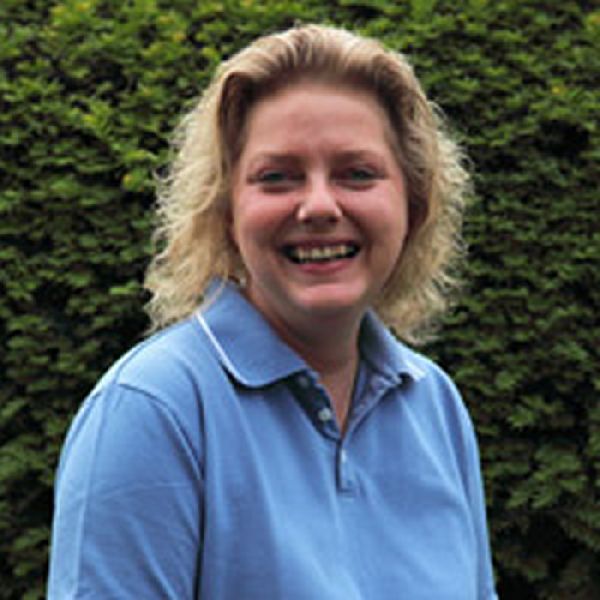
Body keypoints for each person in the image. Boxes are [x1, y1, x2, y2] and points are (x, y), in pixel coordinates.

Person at [48, 24, 498, 599]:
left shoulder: (435, 406)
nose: (319, 206)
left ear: (413, 201)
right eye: (277, 177)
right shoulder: (152, 410)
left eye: (357, 173)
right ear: (225, 209)